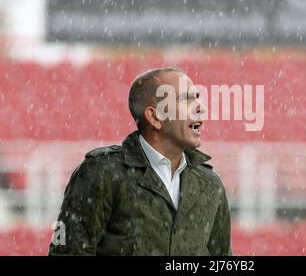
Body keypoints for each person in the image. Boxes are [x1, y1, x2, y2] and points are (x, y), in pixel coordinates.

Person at [49, 67, 232, 255]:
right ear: (154, 116)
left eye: (197, 97)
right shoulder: (101, 173)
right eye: (186, 99)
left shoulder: (211, 185)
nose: (201, 107)